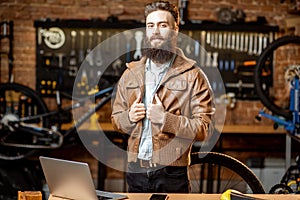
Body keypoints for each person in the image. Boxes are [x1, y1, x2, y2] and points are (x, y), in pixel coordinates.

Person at [111, 0, 215, 193]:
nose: (155, 31)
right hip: (136, 170)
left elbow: (204, 130)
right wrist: (129, 117)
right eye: (150, 25)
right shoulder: (131, 73)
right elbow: (116, 120)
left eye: (162, 25)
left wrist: (166, 120)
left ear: (175, 30)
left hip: (172, 173)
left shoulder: (193, 75)